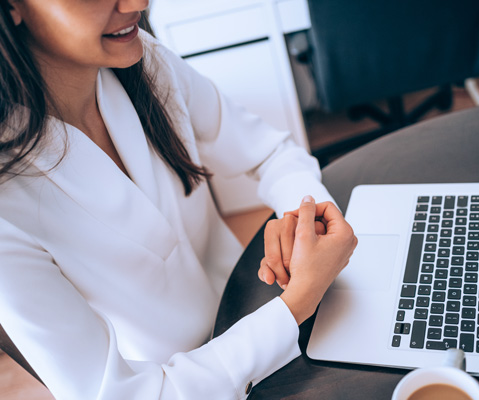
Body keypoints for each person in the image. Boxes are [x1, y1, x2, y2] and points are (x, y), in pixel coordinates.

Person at [0, 1, 357, 399]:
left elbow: (271, 152)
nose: (138, 3)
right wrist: (297, 303)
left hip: (262, 301)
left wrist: (304, 223)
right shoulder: (6, 204)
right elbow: (122, 394)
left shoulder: (142, 58)